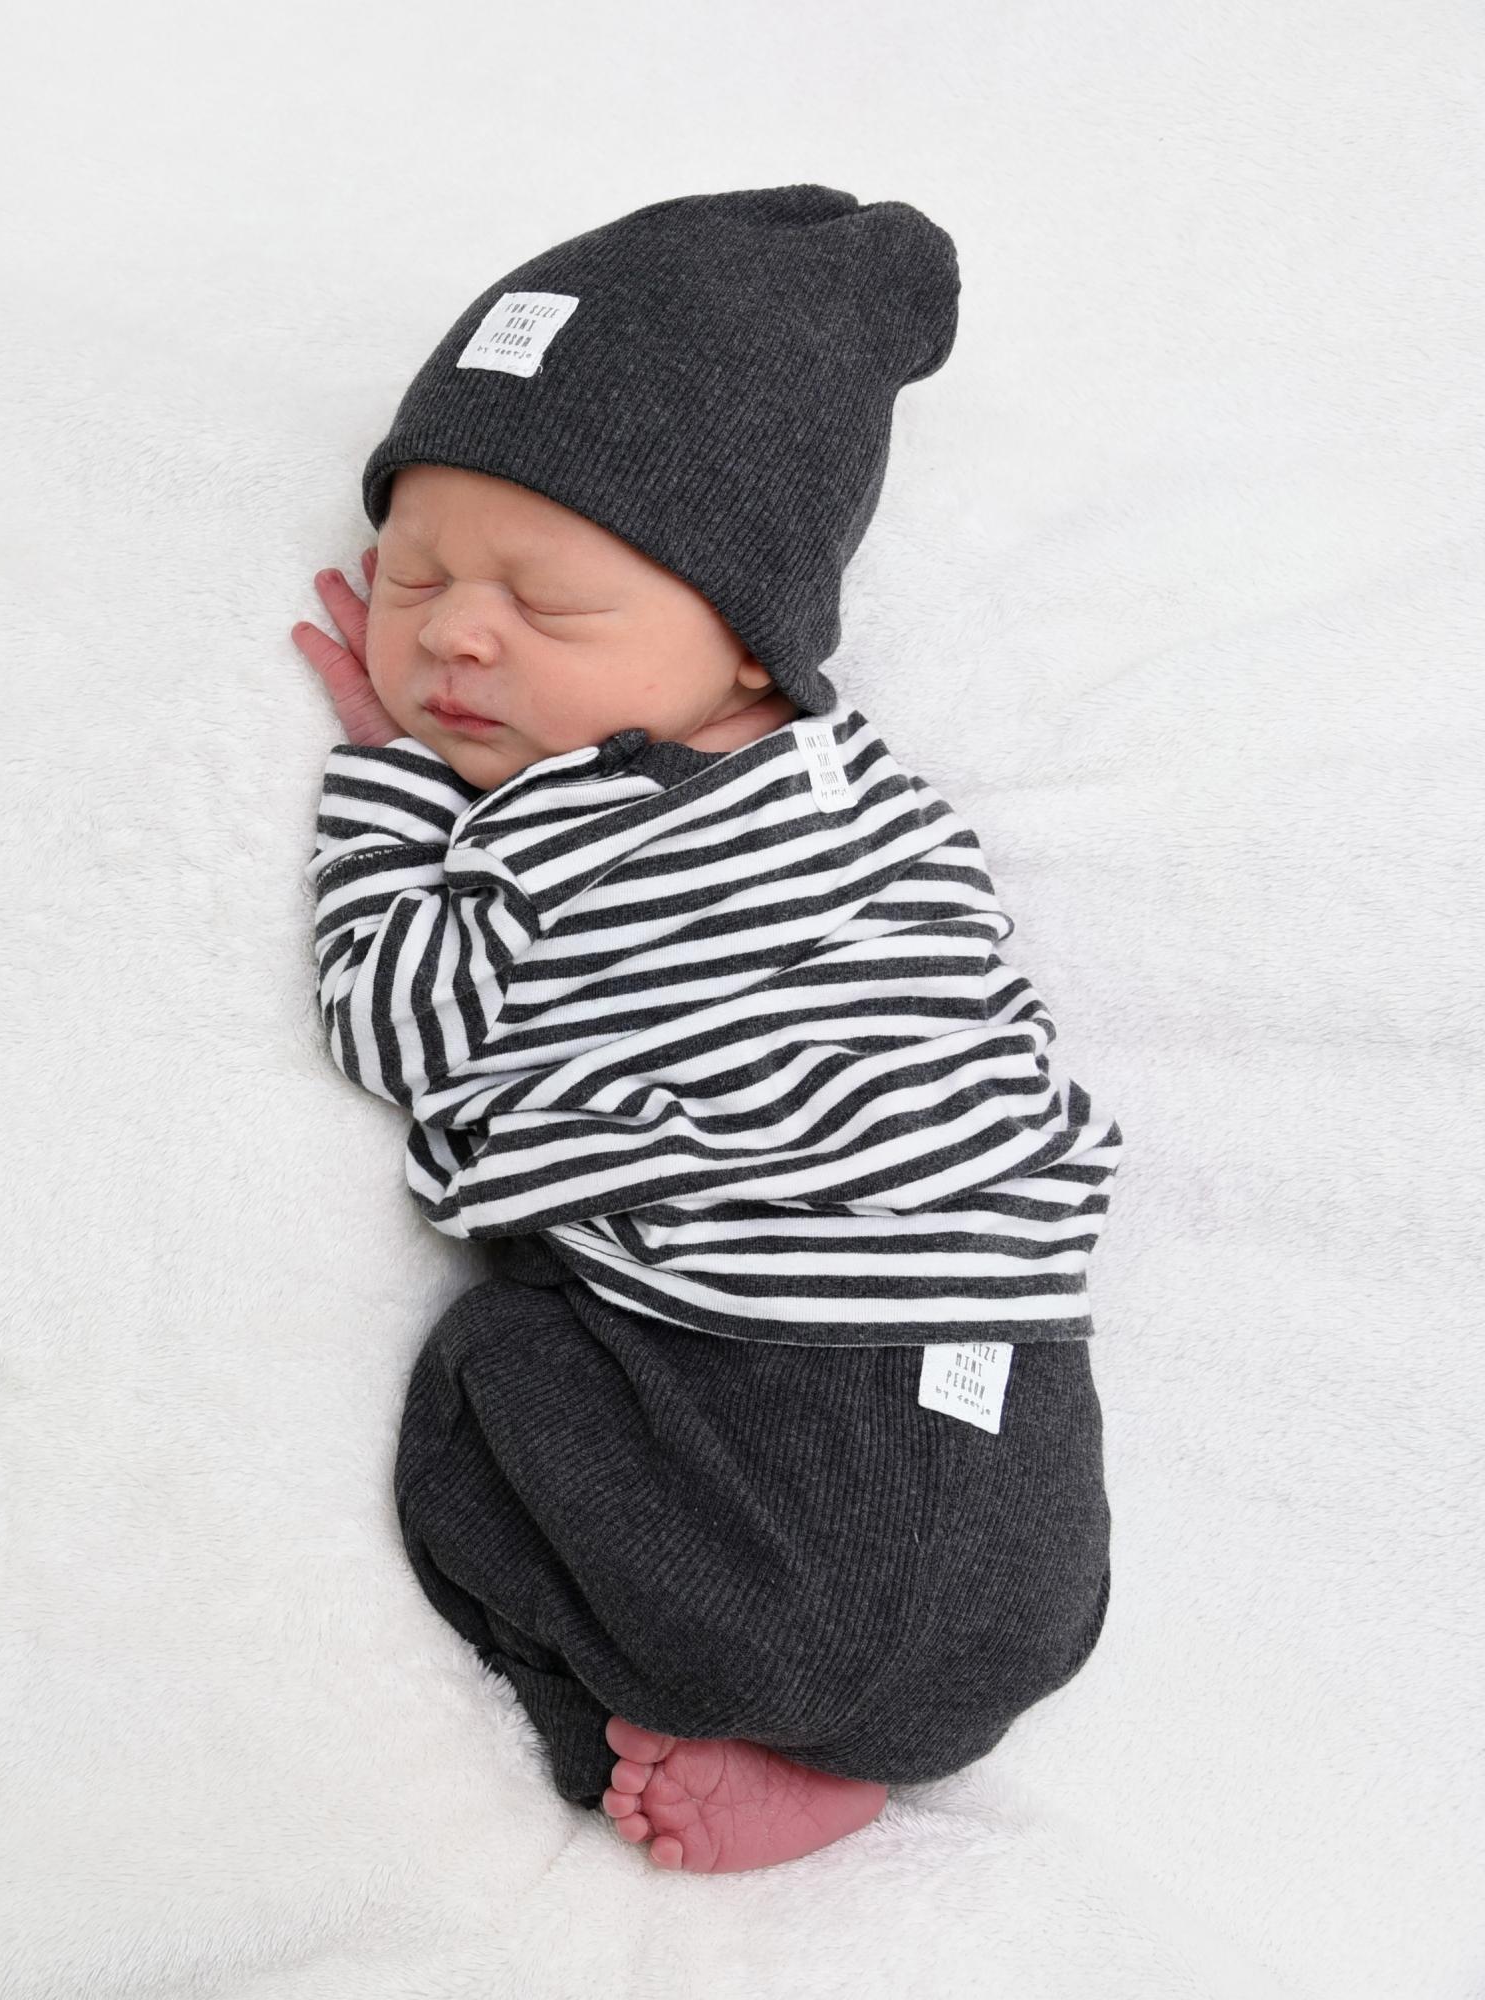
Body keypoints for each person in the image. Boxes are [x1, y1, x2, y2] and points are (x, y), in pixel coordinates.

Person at [288, 186, 1123, 1874]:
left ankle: (609, 1716)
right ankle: (860, 1760)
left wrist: (384, 779)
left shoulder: (568, 819)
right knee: (874, 1651)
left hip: (758, 1442)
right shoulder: (884, 810)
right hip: (1028, 1518)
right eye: (417, 572)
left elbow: (395, 1019)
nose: (453, 631)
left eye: (546, 605)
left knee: (488, 1370)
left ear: (750, 650)